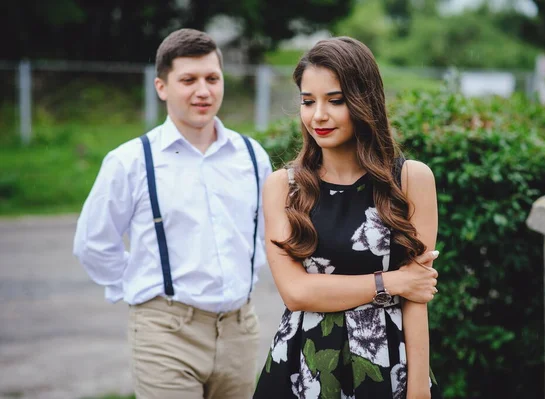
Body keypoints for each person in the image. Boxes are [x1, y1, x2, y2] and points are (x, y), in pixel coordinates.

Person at [73, 29, 272, 399]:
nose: (203, 91)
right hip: (165, 332)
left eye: (212, 78)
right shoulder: (130, 161)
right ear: (162, 87)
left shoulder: (251, 156)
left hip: (240, 331)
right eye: (189, 80)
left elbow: (266, 233)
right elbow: (93, 244)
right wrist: (141, 291)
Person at [253, 36, 443, 399]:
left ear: (364, 101)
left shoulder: (411, 179)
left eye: (335, 101)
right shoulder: (283, 186)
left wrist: (418, 389)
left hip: (388, 361)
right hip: (302, 364)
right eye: (308, 102)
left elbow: (417, 292)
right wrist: (392, 282)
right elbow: (296, 292)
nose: (318, 115)